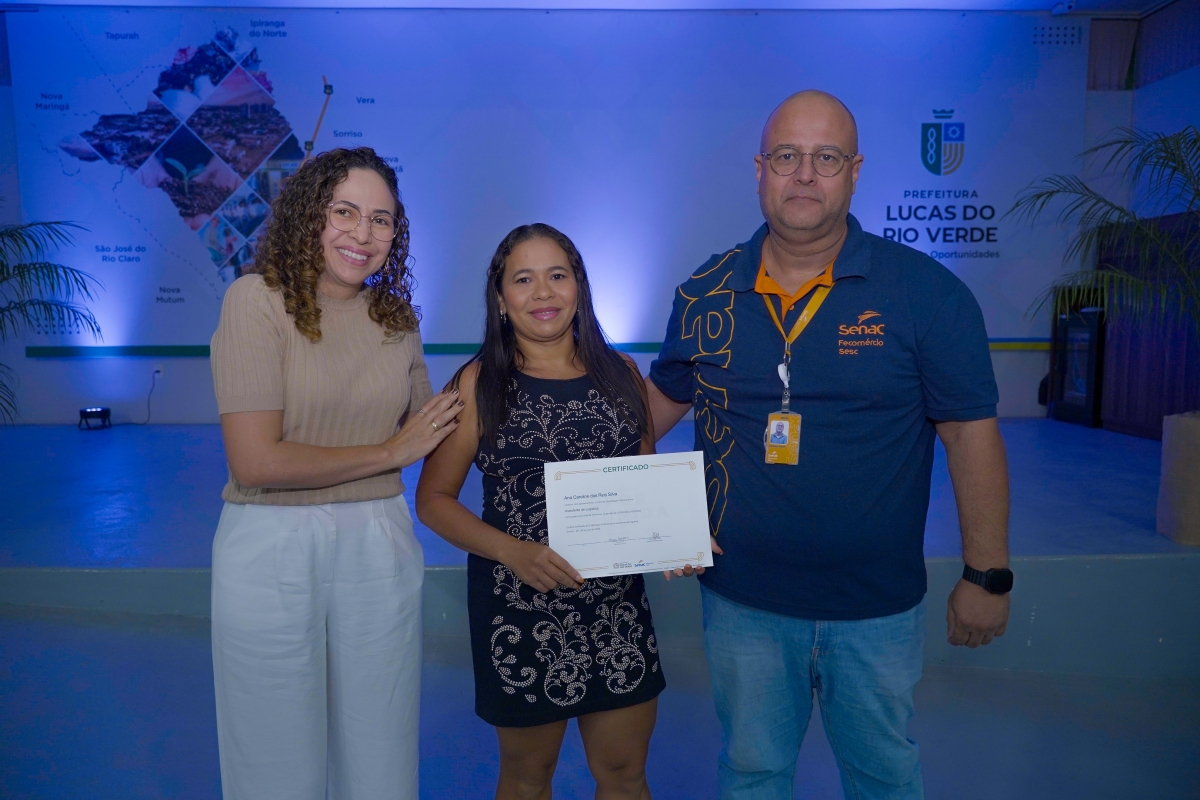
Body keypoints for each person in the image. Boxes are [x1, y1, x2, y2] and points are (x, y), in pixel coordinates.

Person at [647, 91, 1013, 799]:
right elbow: (658, 403)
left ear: (855, 171)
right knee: (752, 773)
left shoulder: (926, 294)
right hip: (743, 602)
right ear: (760, 169)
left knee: (883, 778)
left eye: (827, 158)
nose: (805, 174)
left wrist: (987, 574)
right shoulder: (704, 292)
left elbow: (970, 434)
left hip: (876, 608)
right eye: (787, 156)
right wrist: (642, 513)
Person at [209, 147, 462, 800]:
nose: (363, 233)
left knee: (381, 746)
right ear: (308, 216)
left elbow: (437, 426)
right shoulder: (255, 301)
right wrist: (386, 454)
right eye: (344, 212)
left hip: (379, 540)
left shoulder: (396, 319)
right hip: (270, 542)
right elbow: (256, 461)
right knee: (273, 753)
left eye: (381, 220)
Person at [416, 223, 666, 800]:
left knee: (625, 775)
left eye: (557, 275)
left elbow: (647, 484)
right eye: (523, 279)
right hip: (519, 607)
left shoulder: (624, 373)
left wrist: (673, 540)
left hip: (616, 607)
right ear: (501, 300)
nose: (544, 292)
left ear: (579, 286)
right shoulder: (478, 383)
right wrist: (513, 552)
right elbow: (432, 500)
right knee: (528, 779)